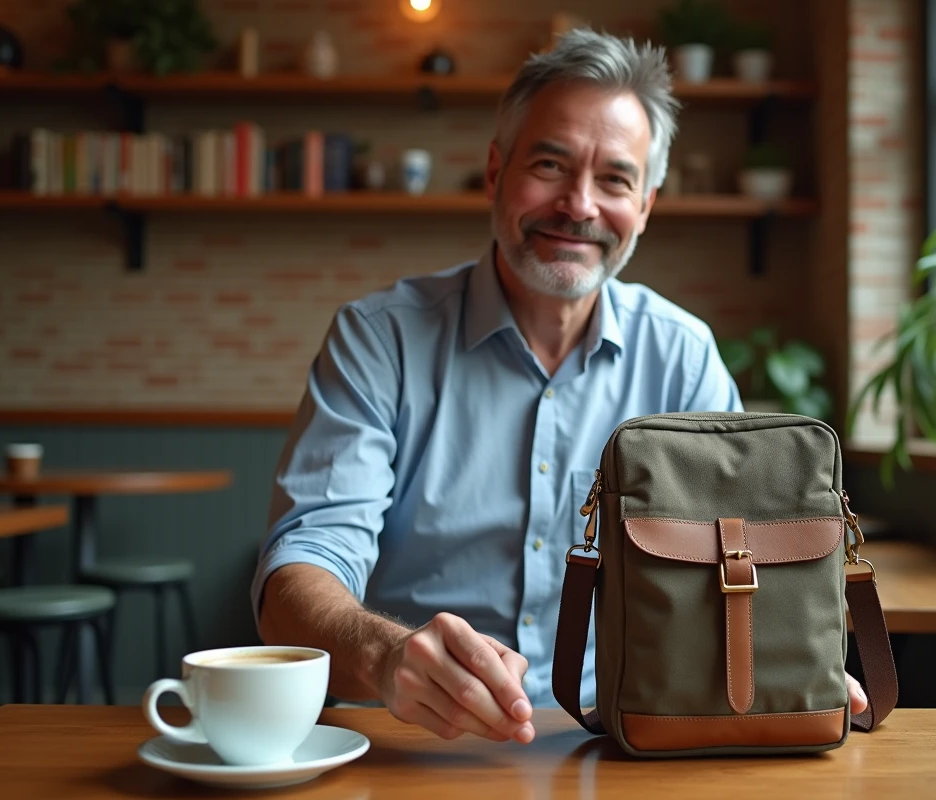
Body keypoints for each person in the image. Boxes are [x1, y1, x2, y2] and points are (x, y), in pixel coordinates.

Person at [252, 28, 868, 747]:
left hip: (626, 745)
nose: (578, 205)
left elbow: (735, 566)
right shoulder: (377, 340)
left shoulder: (683, 356)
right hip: (410, 744)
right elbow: (300, 571)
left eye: (614, 178)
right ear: (494, 172)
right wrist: (383, 654)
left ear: (646, 204)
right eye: (550, 164)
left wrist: (782, 659)